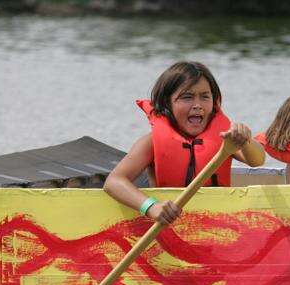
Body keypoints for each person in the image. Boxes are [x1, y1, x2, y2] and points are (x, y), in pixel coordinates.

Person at [104, 61, 265, 224]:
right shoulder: (150, 142)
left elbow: (257, 160)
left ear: (214, 102)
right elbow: (113, 182)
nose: (197, 105)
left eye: (205, 97)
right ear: (167, 103)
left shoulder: (226, 137)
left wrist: (245, 141)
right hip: (169, 227)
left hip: (219, 224)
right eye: (187, 97)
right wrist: (150, 207)